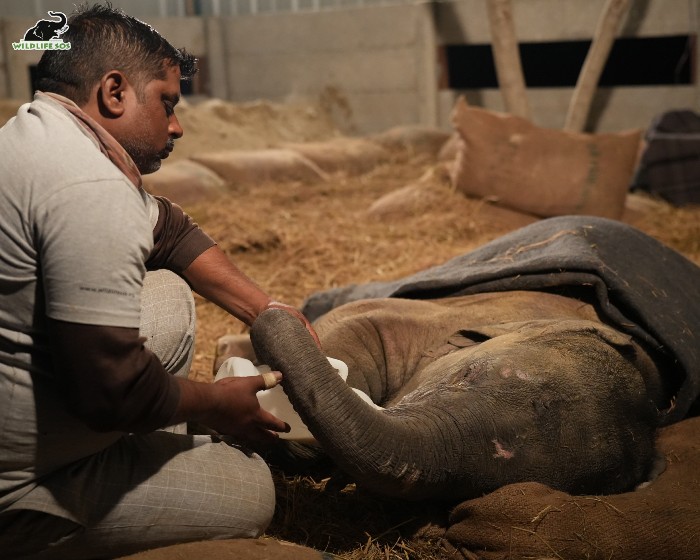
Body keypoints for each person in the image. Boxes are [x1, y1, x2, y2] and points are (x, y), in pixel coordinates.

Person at [0, 4, 319, 559]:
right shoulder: (89, 189)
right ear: (115, 92)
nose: (177, 126)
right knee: (250, 490)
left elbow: (167, 230)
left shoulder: (34, 136)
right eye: (167, 103)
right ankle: (32, 525)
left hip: (26, 399)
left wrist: (266, 310)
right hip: (16, 481)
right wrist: (217, 405)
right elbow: (113, 391)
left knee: (168, 297)